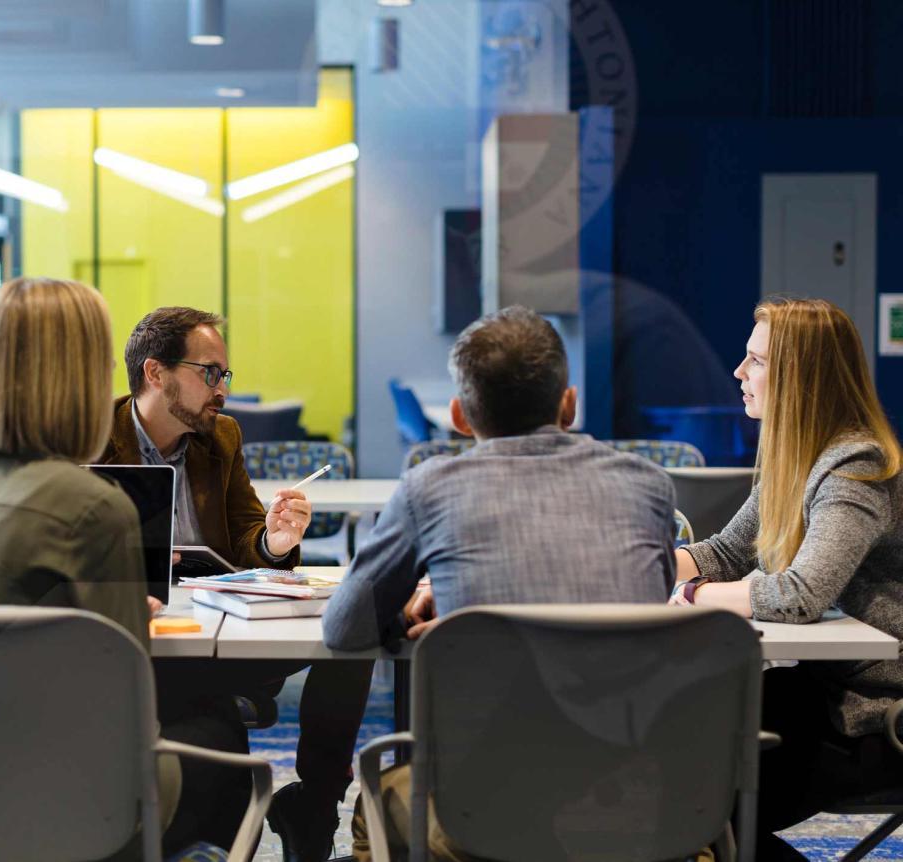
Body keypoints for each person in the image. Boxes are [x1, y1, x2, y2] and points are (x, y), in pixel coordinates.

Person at [322, 306, 678, 861]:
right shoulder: (649, 487)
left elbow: (344, 630)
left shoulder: (429, 488)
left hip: (484, 809)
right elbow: (639, 614)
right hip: (643, 807)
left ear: (460, 417)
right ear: (569, 403)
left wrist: (417, 614)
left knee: (375, 809)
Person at [101, 306, 372, 862]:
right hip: (136, 634)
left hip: (216, 628)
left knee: (352, 638)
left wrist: (275, 541)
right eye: (211, 373)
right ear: (155, 373)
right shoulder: (94, 436)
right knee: (207, 718)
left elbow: (250, 533)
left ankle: (315, 807)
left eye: (225, 374)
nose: (222, 389)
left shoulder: (219, 437)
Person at [0, 276, 243, 858]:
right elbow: (128, 703)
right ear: (74, 379)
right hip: (69, 795)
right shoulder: (92, 511)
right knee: (219, 730)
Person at [669, 298, 903, 861]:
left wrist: (695, 595)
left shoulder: (855, 468)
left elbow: (801, 595)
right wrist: (633, 566)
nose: (738, 372)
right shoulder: (794, 453)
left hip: (867, 713)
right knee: (688, 759)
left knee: (703, 789)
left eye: (756, 361)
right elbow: (726, 551)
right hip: (818, 689)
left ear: (799, 377)